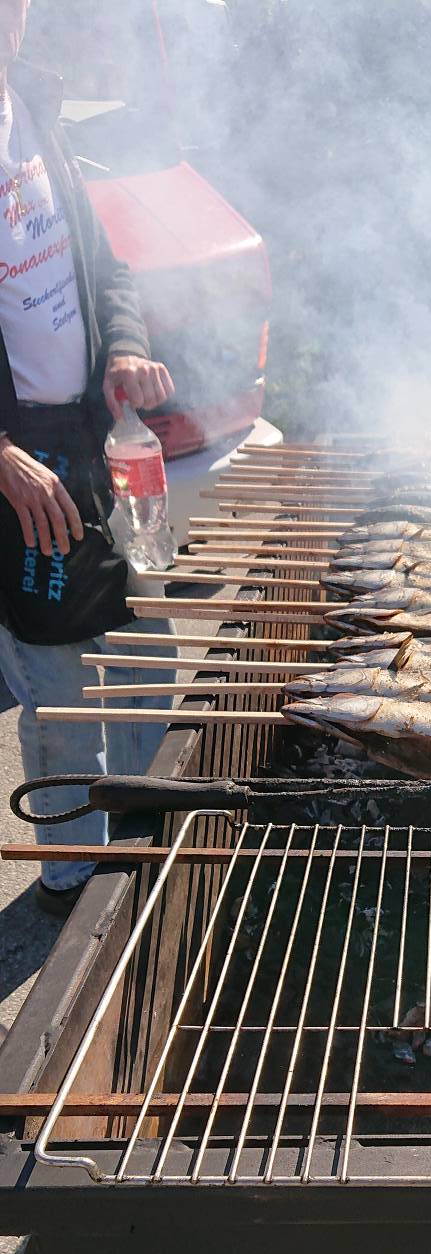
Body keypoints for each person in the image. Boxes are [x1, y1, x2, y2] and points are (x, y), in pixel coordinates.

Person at [0, 0, 176, 916]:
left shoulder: (34, 111)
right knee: (58, 677)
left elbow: (108, 270)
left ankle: (145, 836)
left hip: (89, 440)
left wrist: (123, 350)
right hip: (18, 466)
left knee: (147, 645)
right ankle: (70, 878)